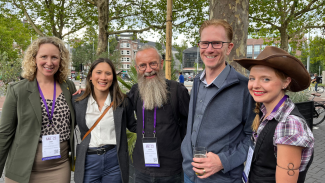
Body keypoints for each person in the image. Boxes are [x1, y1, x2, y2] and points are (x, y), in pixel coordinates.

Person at [181, 19, 255, 183]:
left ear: (229, 47)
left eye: (216, 43)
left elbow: (253, 137)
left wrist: (223, 161)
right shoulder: (196, 82)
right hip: (189, 173)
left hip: (222, 179)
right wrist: (186, 152)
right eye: (205, 43)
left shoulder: (245, 88)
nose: (209, 49)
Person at [0, 37, 77, 183]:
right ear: (34, 58)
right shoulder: (18, 90)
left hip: (59, 167)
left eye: (54, 57)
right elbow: (4, 134)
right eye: (44, 57)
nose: (49, 62)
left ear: (61, 60)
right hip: (23, 169)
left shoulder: (68, 87)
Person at [234, 46, 314, 183]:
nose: (255, 85)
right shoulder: (267, 113)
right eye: (252, 78)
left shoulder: (288, 124)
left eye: (266, 79)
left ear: (286, 82)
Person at [127, 45, 190, 183]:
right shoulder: (135, 91)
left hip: (171, 168)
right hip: (141, 166)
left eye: (153, 63)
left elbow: (190, 125)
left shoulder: (177, 91)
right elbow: (122, 111)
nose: (148, 70)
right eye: (142, 65)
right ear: (137, 68)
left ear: (161, 64)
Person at [72, 58, 136, 183]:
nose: (103, 77)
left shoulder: (123, 101)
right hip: (88, 159)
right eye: (99, 72)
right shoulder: (78, 101)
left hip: (114, 160)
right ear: (90, 76)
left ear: (113, 78)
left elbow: (133, 126)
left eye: (108, 73)